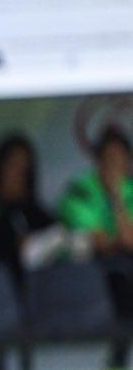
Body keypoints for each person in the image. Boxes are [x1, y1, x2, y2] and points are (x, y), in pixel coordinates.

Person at [0, 133, 65, 289]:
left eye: (24, 170)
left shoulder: (26, 207)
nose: (17, 176)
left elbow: (56, 231)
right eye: (13, 166)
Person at [60, 125, 133, 318]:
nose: (113, 164)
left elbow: (128, 241)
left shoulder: (130, 189)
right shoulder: (80, 189)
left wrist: (116, 197)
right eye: (108, 158)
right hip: (90, 268)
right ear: (98, 160)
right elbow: (100, 244)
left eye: (119, 159)